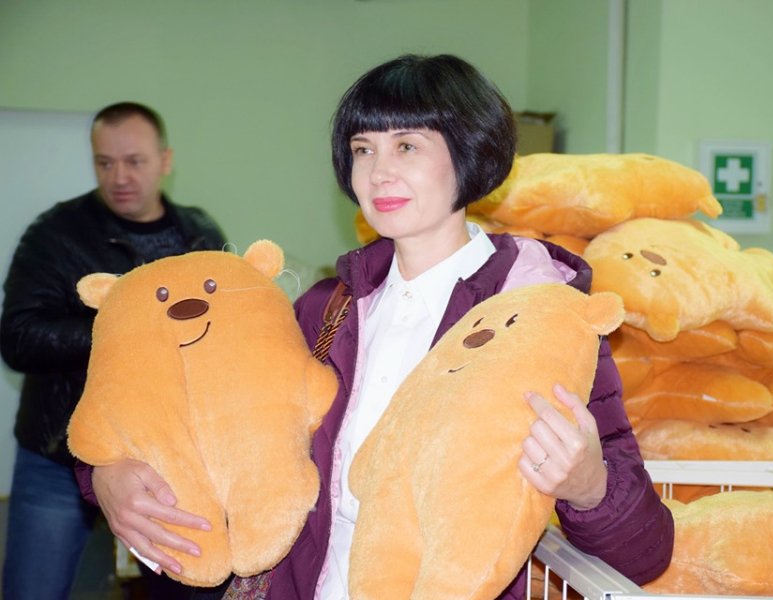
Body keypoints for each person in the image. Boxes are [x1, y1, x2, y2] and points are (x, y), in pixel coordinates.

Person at [81, 55, 674, 599]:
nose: (379, 173)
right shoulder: (325, 310)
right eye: (363, 149)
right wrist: (103, 473)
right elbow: (188, 406)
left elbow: (646, 553)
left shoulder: (539, 315)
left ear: (470, 153)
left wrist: (589, 485)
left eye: (407, 146)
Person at [1, 101, 227, 600]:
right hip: (60, 455)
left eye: (134, 161)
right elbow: (18, 337)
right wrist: (126, 329)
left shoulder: (199, 233)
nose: (119, 177)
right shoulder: (55, 234)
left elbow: (220, 329)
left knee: (184, 583)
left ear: (165, 161)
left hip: (165, 455)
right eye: (105, 162)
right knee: (33, 590)